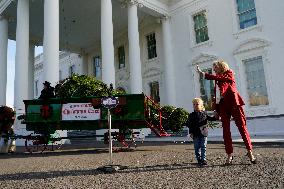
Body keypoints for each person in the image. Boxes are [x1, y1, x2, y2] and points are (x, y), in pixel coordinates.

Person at [196, 60, 257, 165]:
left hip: (234, 105)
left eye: (215, 67)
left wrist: (204, 74)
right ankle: (229, 154)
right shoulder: (217, 81)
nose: (214, 69)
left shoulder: (229, 73)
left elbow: (222, 79)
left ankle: (250, 152)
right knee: (226, 131)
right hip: (223, 107)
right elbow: (216, 96)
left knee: (242, 128)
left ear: (221, 66)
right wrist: (216, 110)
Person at [187, 98, 218, 166]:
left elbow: (212, 119)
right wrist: (191, 133)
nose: (195, 105)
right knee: (196, 147)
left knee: (203, 146)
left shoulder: (204, 113)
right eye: (194, 104)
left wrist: (216, 115)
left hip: (204, 133)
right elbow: (190, 125)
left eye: (197, 104)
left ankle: (203, 159)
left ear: (201, 105)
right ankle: (199, 159)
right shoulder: (191, 115)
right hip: (195, 134)